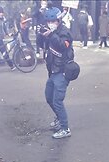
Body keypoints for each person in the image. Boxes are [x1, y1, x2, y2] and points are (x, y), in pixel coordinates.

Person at [42, 7, 74, 139]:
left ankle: (65, 128)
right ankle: (59, 119)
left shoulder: (65, 32)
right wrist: (41, 35)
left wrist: (51, 35)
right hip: (53, 71)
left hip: (62, 71)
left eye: (53, 21)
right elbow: (41, 45)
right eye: (48, 21)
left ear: (59, 20)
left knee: (57, 101)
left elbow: (62, 46)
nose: (51, 23)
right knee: (49, 97)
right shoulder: (50, 31)